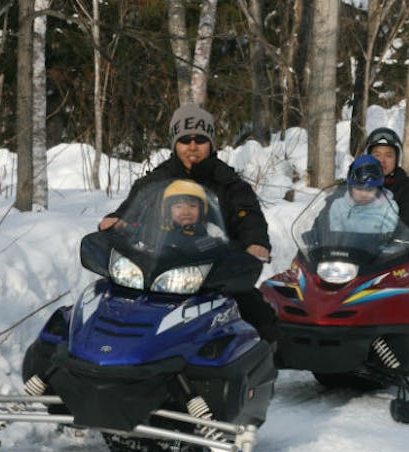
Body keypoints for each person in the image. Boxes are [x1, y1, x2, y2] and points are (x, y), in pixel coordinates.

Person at [98, 104, 278, 342]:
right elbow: (133, 209)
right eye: (185, 140)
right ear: (175, 143)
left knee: (256, 313)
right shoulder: (156, 180)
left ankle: (261, 362)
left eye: (200, 139)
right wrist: (118, 220)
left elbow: (249, 216)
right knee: (108, 298)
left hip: (214, 272)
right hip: (156, 269)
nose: (192, 146)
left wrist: (255, 243)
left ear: (211, 143)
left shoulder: (230, 183)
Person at [364, 127, 409, 231]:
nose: (382, 160)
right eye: (377, 155)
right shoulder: (355, 185)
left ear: (397, 158)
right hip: (352, 244)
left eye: (389, 155)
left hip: (393, 244)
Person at [329, 154, 399, 234]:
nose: (363, 194)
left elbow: (388, 237)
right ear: (350, 188)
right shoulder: (339, 206)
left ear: (378, 189)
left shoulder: (388, 208)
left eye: (369, 190)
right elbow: (335, 237)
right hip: (343, 246)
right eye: (359, 189)